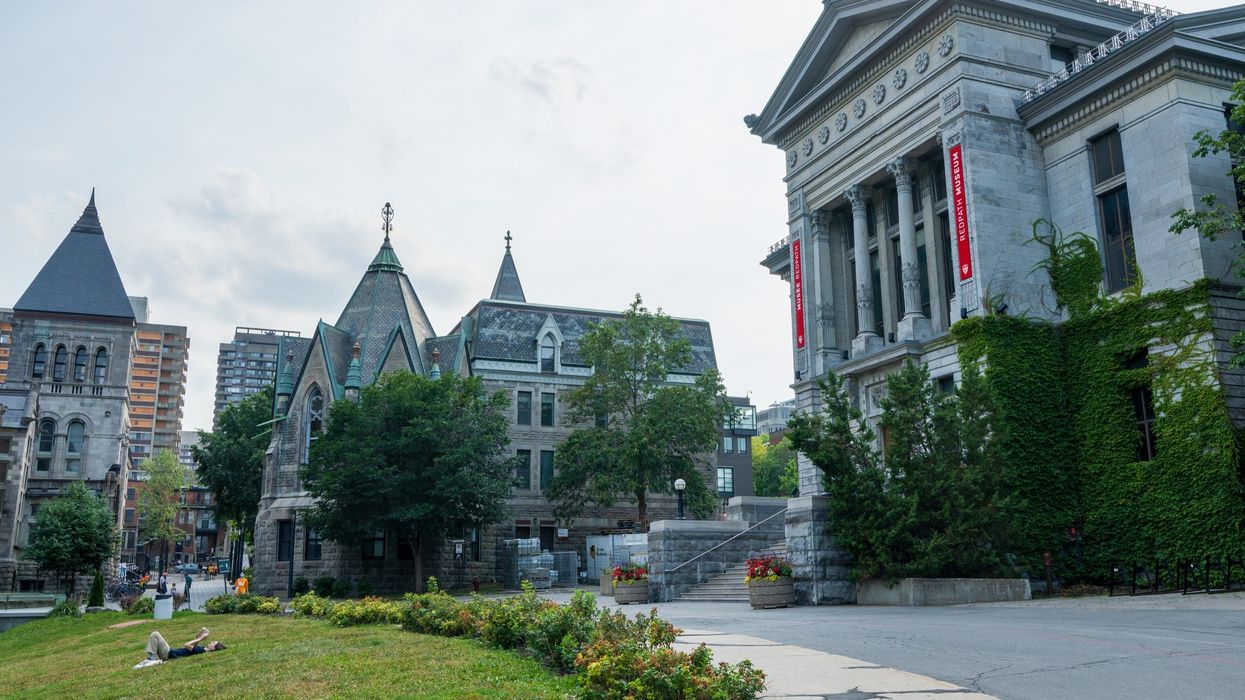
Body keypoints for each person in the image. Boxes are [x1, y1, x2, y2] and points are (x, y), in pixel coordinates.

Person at [144, 627, 225, 661]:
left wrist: (200, 639)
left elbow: (186, 645)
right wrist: (198, 639)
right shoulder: (202, 649)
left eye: (213, 643)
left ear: (213, 648)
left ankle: (152, 659)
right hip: (169, 653)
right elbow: (191, 649)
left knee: (155, 634)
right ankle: (152, 658)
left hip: (168, 654)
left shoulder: (202, 651)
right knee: (156, 635)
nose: (211, 642)